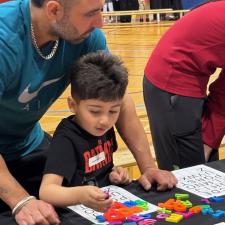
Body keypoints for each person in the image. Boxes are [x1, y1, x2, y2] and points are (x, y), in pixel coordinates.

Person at [0, 0, 177, 224]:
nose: (100, 23)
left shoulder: (87, 37)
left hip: (27, 143)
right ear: (54, 10)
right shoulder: (4, 40)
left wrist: (148, 167)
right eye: (91, 13)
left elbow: (118, 98)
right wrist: (20, 201)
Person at [39, 52, 130, 211]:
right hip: (74, 212)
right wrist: (80, 195)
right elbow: (47, 191)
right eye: (95, 111)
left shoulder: (103, 128)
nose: (105, 120)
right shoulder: (66, 139)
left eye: (113, 111)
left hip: (103, 209)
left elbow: (102, 169)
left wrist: (115, 174)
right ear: (73, 105)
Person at [143, 0, 225, 171]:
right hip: (171, 84)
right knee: (187, 178)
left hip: (183, 78)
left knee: (206, 174)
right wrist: (209, 139)